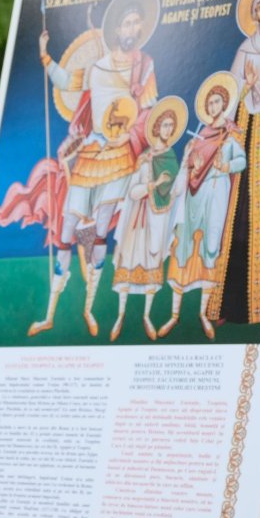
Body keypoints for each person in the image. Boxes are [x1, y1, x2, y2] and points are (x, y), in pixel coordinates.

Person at [28, 0, 161, 337]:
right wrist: (45, 55)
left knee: (101, 232)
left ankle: (88, 310)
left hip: (120, 156)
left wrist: (132, 139)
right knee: (66, 230)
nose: (132, 30)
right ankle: (50, 312)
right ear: (116, 28)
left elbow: (147, 114)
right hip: (89, 154)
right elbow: (67, 83)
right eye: (127, 23)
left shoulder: (144, 67)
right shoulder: (96, 67)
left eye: (137, 23)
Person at [210, 0, 260, 328]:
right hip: (251, 134)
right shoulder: (245, 48)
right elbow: (232, 94)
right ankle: (231, 305)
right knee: (239, 220)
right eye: (259, 6)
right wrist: (249, 89)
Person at [160, 74, 247, 340]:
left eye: (216, 101)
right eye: (209, 102)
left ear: (224, 103)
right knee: (184, 247)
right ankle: (174, 315)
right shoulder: (200, 134)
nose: (212, 106)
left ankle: (203, 314)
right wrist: (190, 158)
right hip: (194, 195)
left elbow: (241, 161)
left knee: (211, 246)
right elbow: (192, 163)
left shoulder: (230, 134)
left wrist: (225, 166)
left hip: (216, 191)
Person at [109, 96, 186, 341]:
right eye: (164, 125)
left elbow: (175, 191)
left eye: (171, 127)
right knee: (129, 265)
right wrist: (154, 184)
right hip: (136, 221)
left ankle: (147, 316)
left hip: (157, 220)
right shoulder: (144, 157)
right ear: (156, 128)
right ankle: (120, 315)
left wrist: (182, 169)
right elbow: (133, 191)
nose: (168, 130)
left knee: (153, 262)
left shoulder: (171, 157)